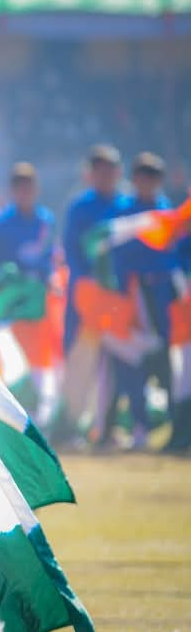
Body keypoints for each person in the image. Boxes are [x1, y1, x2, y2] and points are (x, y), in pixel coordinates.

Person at [109, 152, 181, 449]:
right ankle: (138, 425)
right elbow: (114, 255)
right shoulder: (123, 212)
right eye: (143, 176)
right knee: (130, 365)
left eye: (154, 177)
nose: (148, 182)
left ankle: (177, 427)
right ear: (134, 178)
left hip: (165, 300)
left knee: (168, 365)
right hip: (133, 300)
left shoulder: (168, 212)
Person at [62, 144, 124, 352]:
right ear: (90, 174)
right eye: (100, 172)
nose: (105, 177)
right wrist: (86, 279)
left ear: (118, 172)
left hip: (120, 292)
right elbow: (70, 248)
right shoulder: (80, 207)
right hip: (87, 290)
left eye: (110, 171)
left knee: (120, 353)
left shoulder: (126, 205)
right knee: (82, 350)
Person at [0, 162, 55, 279]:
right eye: (21, 189)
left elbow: (50, 256)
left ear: (36, 189)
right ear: (12, 191)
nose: (25, 194)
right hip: (11, 290)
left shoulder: (45, 220)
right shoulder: (2, 223)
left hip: (40, 289)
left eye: (29, 188)